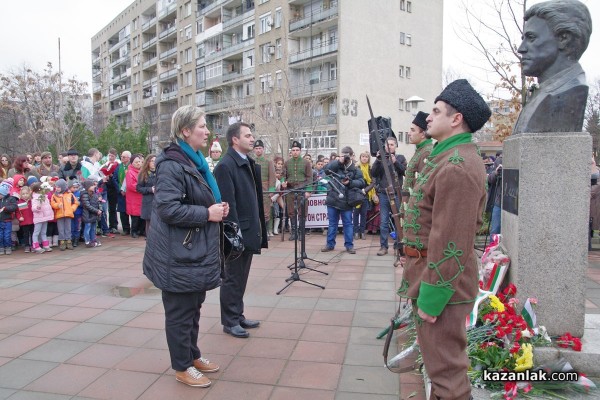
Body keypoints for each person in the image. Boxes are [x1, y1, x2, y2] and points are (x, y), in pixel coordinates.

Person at [398, 79, 490, 400]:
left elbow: (451, 239)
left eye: (435, 111)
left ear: (456, 119)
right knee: (440, 372)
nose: (428, 117)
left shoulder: (457, 166)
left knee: (447, 375)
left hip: (442, 285)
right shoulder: (446, 156)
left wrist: (432, 297)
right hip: (431, 275)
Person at [143, 106, 227, 388]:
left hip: (193, 252)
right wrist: (207, 213)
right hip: (177, 255)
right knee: (180, 313)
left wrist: (215, 208)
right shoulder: (171, 163)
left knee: (193, 309)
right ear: (185, 131)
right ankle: (181, 366)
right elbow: (167, 209)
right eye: (202, 126)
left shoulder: (194, 161)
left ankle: (192, 356)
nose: (207, 131)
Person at [214, 122, 268, 339]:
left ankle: (238, 314)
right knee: (232, 277)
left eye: (252, 134)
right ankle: (230, 321)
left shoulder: (245, 162)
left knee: (241, 276)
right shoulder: (226, 166)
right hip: (237, 232)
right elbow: (228, 205)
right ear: (235, 139)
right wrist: (234, 236)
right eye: (247, 135)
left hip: (248, 229)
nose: (252, 138)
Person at [513, 0, 592, 134]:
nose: (521, 49)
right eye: (523, 39)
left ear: (563, 39)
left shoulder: (571, 91)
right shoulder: (541, 93)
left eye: (531, 38)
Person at [321, 146, 365, 254]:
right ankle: (330, 244)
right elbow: (326, 170)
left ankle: (349, 245)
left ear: (351, 156)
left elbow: (361, 182)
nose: (344, 157)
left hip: (347, 201)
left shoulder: (355, 169)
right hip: (333, 198)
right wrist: (338, 162)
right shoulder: (336, 166)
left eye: (345, 156)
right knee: (332, 224)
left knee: (348, 224)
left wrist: (350, 183)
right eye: (341, 155)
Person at [370, 136, 407, 256]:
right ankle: (383, 246)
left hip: (396, 193)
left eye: (392, 144)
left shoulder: (400, 158)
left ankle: (398, 246)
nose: (389, 146)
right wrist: (378, 159)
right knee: (384, 221)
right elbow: (374, 173)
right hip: (384, 194)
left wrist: (395, 162)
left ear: (395, 146)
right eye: (387, 145)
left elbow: (404, 171)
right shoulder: (381, 159)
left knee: (398, 220)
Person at [282, 140, 312, 241]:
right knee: (291, 212)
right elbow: (283, 176)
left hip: (302, 190)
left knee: (302, 212)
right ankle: (294, 233)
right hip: (291, 190)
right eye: (293, 150)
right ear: (291, 151)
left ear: (300, 151)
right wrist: (283, 182)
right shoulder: (287, 163)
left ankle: (301, 233)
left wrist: (308, 191)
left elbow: (310, 178)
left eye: (297, 150)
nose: (295, 152)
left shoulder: (306, 163)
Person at [252, 139, 276, 238]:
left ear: (263, 149)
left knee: (266, 212)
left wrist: (271, 190)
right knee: (255, 211)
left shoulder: (268, 162)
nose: (258, 150)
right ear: (254, 150)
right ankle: (258, 233)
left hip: (265, 190)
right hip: (253, 189)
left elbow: (272, 177)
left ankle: (265, 233)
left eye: (260, 148)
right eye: (256, 148)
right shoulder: (251, 161)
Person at [50, 178, 79, 251]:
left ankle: (68, 241)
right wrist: (57, 205)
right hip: (59, 214)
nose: (57, 188)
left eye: (59, 187)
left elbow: (75, 203)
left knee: (68, 228)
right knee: (61, 229)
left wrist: (72, 209)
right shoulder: (54, 195)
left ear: (63, 187)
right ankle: (62, 242)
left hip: (68, 214)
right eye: (56, 187)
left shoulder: (70, 194)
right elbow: (52, 204)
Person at [353, 151, 376, 240]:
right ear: (360, 157)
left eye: (366, 157)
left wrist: (365, 190)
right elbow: (353, 180)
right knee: (356, 213)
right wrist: (359, 190)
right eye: (363, 156)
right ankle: (355, 232)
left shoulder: (371, 168)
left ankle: (362, 232)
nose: (364, 158)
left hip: (366, 193)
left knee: (363, 213)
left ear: (368, 158)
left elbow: (373, 182)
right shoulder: (356, 167)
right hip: (357, 192)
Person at [30, 182, 53, 253]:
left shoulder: (44, 197)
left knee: (43, 232)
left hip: (44, 217)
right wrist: (38, 207)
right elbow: (34, 208)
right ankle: (36, 246)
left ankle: (45, 245)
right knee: (36, 232)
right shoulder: (35, 198)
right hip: (39, 217)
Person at [136, 154, 156, 235]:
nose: (154, 163)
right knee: (149, 223)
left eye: (155, 161)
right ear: (147, 162)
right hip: (148, 201)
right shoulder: (143, 174)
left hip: (159, 201)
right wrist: (150, 189)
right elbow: (139, 188)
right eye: (152, 161)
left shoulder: (161, 172)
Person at [102, 149, 120, 234]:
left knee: (112, 208)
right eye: (109, 155)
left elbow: (117, 177)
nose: (110, 157)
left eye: (112, 156)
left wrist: (112, 176)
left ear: (115, 156)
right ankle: (104, 226)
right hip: (105, 187)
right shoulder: (105, 164)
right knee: (104, 208)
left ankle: (113, 225)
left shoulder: (117, 165)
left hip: (113, 188)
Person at [81, 179, 103, 248]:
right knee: (87, 228)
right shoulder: (84, 195)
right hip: (87, 215)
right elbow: (87, 205)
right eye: (92, 185)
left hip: (93, 215)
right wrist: (96, 211)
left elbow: (97, 203)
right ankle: (87, 241)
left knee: (93, 228)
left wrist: (99, 205)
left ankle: (93, 239)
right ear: (88, 187)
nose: (94, 186)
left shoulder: (94, 194)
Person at [487, 154, 503, 236]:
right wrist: (496, 173)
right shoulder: (499, 160)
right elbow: (489, 179)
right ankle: (492, 248)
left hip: (514, 202)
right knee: (495, 229)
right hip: (499, 201)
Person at [0, 180, 18, 255]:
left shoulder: (11, 199)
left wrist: (5, 208)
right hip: (0, 220)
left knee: (7, 235)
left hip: (7, 220)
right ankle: (1, 247)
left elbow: (14, 207)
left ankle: (8, 247)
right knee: (0, 235)